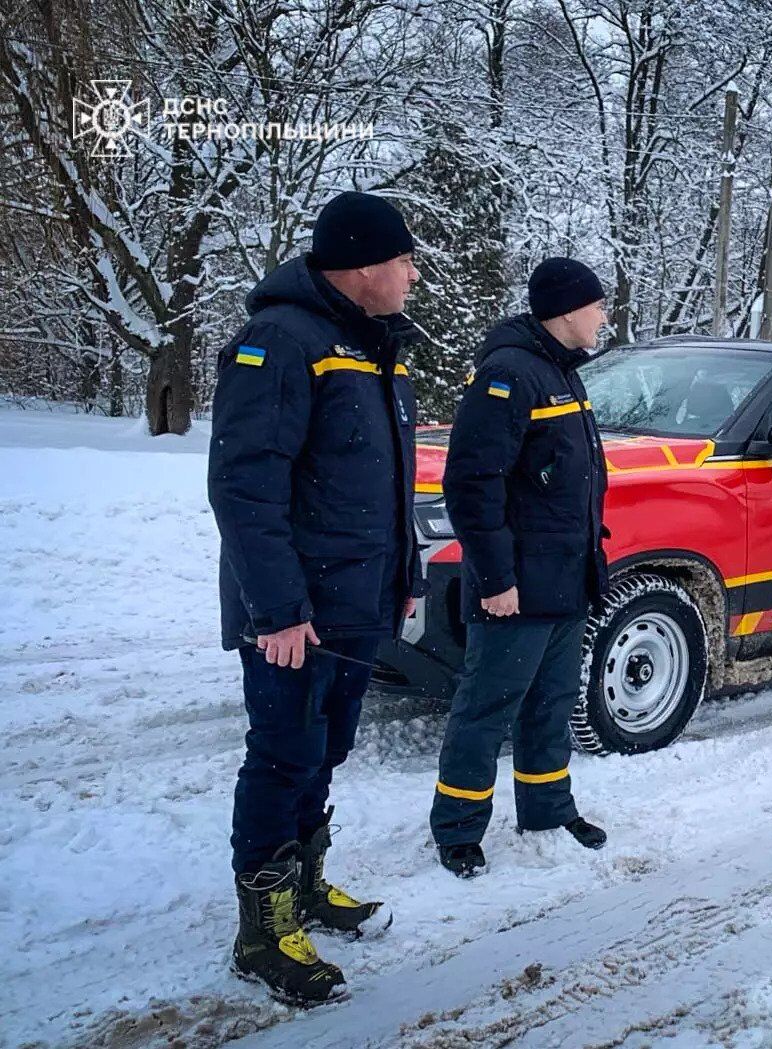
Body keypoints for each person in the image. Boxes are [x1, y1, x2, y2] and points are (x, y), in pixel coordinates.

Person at [208, 190, 426, 1004]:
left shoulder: (372, 346)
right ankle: (263, 929)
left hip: (356, 602)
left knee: (326, 748)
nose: (411, 274)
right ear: (364, 264)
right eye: (403, 259)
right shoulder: (281, 340)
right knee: (282, 753)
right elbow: (244, 486)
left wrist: (401, 580)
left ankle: (302, 884)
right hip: (294, 612)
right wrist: (277, 609)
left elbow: (386, 484)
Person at [429, 256, 611, 878]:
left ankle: (548, 809)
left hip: (563, 581)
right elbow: (473, 485)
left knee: (552, 704)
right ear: (564, 311)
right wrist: (496, 580)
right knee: (488, 707)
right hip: (516, 588)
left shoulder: (562, 372)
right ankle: (457, 830)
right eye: (595, 305)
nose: (603, 316)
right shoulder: (508, 375)